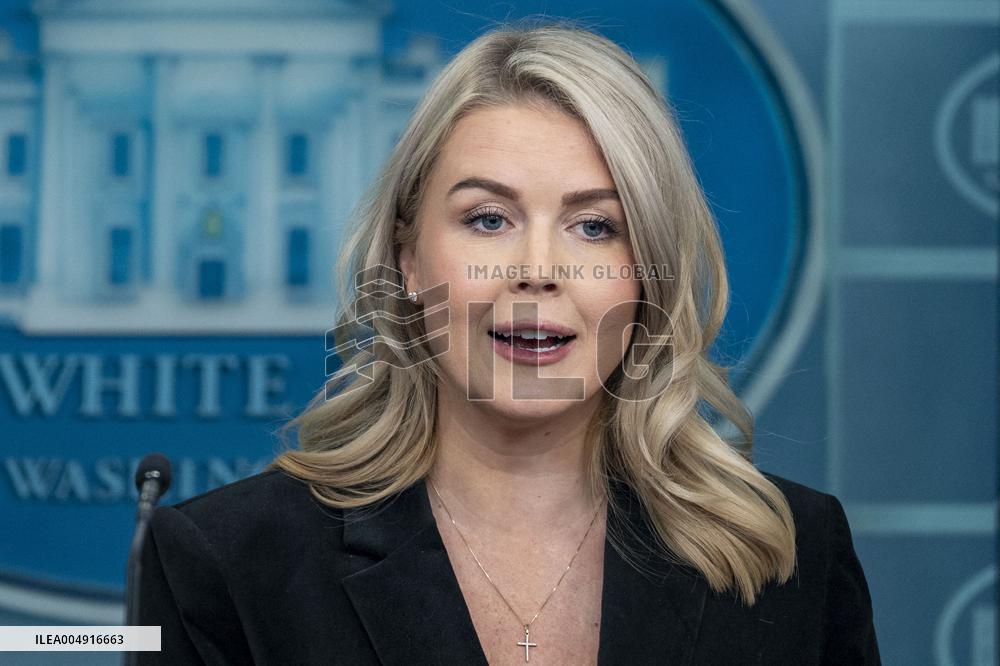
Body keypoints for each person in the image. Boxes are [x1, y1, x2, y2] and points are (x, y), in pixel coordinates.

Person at [137, 19, 881, 665]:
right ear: (407, 260)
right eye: (488, 219)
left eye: (595, 226)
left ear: (648, 274)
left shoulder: (795, 556)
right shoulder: (224, 563)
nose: (537, 270)